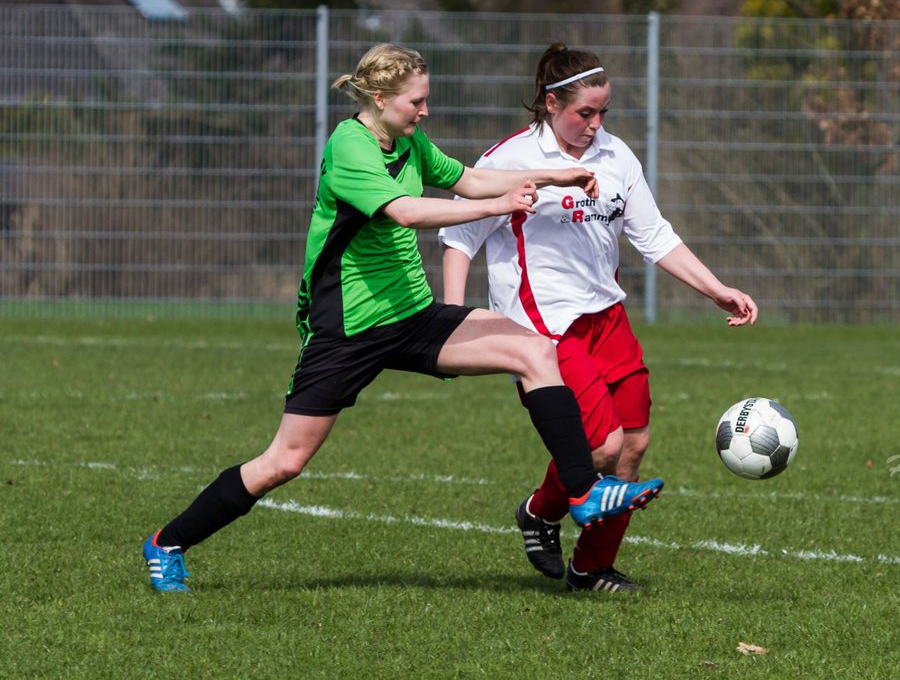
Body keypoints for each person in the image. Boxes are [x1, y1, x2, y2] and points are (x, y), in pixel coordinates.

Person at [142, 43, 663, 593]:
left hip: (413, 315)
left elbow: (465, 178)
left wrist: (555, 177)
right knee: (285, 460)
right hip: (350, 330)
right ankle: (168, 542)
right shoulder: (350, 146)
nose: (425, 111)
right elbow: (405, 211)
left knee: (535, 350)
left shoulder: (409, 141)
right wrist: (496, 207)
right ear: (379, 97)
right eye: (416, 101)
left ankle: (582, 491)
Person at [439, 42, 757, 593]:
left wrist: (716, 290)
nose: (595, 123)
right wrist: (449, 317)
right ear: (549, 102)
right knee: (599, 445)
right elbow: (459, 240)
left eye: (603, 111)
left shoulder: (616, 156)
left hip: (607, 317)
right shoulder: (510, 159)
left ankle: (591, 570)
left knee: (632, 445)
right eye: (584, 112)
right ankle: (540, 512)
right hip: (542, 327)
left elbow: (654, 236)